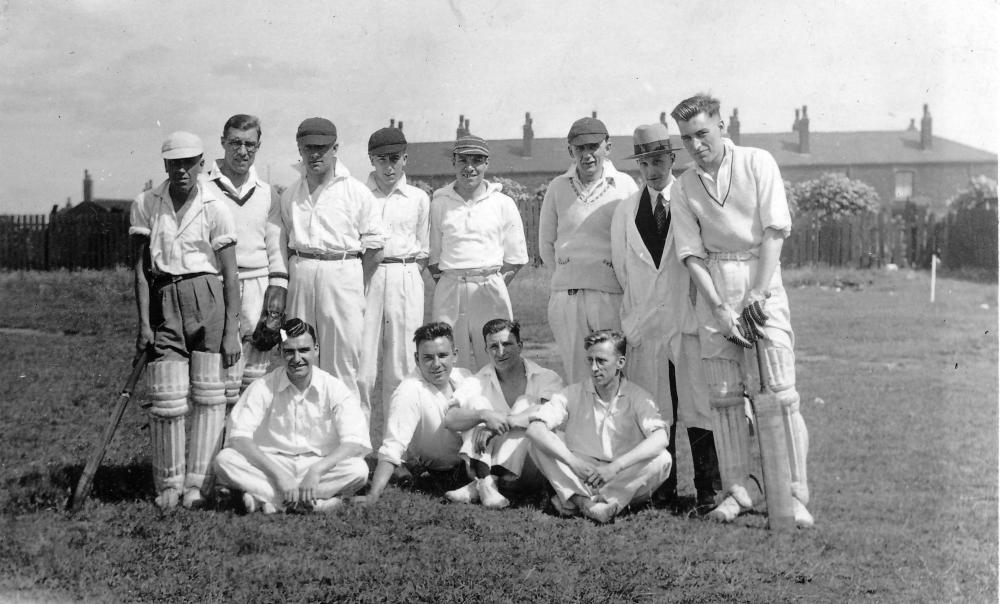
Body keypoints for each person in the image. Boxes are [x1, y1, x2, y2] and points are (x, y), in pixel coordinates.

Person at [670, 93, 812, 527]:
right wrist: (718, 308)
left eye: (702, 134)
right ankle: (738, 491)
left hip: (759, 279)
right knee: (725, 400)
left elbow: (774, 231)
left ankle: (793, 494)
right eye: (687, 138)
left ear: (721, 127)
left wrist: (756, 294)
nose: (696, 145)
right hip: (715, 286)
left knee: (781, 395)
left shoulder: (757, 162)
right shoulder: (684, 185)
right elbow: (691, 255)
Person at [610, 123, 720, 514]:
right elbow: (624, 269)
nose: (652, 168)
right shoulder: (626, 210)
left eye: (658, 159)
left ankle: (709, 492)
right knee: (657, 412)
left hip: (686, 320)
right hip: (647, 327)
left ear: (672, 158)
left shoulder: (691, 199)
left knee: (698, 407)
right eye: (644, 161)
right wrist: (639, 316)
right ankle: (663, 489)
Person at [129, 131, 241, 509]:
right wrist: (144, 324)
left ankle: (199, 483)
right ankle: (169, 483)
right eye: (174, 163)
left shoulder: (216, 205)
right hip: (165, 299)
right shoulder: (147, 203)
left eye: (188, 163)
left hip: (206, 296)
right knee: (167, 397)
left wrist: (230, 332)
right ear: (165, 165)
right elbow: (142, 270)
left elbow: (230, 274)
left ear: (200, 163)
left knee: (210, 395)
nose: (181, 171)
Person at [276, 117, 385, 401]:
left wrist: (351, 286)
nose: (314, 154)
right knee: (297, 356)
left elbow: (375, 248)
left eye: (322, 148)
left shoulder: (356, 192)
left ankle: (352, 440)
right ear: (299, 148)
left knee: (343, 364)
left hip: (342, 274)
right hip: (301, 273)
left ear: (335, 148)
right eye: (308, 147)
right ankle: (306, 438)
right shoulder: (290, 194)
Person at [213, 318, 370, 514]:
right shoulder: (263, 386)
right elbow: (239, 438)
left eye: (304, 350)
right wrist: (279, 475)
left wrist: (316, 470)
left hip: (316, 465)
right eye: (289, 351)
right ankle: (316, 505)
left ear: (316, 349)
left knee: (358, 470)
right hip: (272, 464)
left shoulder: (334, 388)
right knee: (225, 460)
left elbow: (353, 442)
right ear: (279, 352)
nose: (297, 359)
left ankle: (266, 500)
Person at [526, 330, 672, 523]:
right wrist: (573, 462)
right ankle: (590, 506)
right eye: (590, 360)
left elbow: (661, 438)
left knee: (662, 459)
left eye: (601, 361)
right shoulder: (573, 392)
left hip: (621, 475)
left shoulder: (638, 396)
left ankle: (577, 502)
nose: (594, 368)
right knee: (537, 443)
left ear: (620, 363)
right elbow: (534, 428)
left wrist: (616, 467)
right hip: (580, 472)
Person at [538, 116, 639, 383]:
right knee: (579, 378)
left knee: (615, 375)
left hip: (610, 296)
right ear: (570, 150)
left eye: (593, 146)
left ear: (608, 147)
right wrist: (572, 273)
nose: (587, 155)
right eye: (579, 148)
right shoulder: (557, 187)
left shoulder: (626, 186)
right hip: (568, 298)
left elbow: (633, 243)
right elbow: (546, 245)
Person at [201, 114, 287, 399]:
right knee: (217, 385)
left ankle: (247, 442)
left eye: (250, 145)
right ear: (223, 142)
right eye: (235, 143)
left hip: (257, 290)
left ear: (258, 146)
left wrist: (274, 308)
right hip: (216, 287)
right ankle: (219, 444)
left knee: (254, 384)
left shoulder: (267, 194)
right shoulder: (202, 187)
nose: (242, 151)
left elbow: (276, 253)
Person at [428, 135, 528, 370]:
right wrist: (453, 283)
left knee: (498, 359)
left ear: (487, 164)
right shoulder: (439, 203)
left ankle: (500, 407)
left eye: (477, 160)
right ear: (453, 162)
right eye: (463, 160)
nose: (469, 167)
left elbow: (515, 258)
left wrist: (494, 283)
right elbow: (433, 257)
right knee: (449, 361)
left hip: (489, 288)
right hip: (450, 289)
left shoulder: (502, 203)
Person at [442, 319, 565, 508]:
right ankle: (486, 482)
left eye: (507, 344)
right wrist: (483, 415)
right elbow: (450, 419)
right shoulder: (478, 380)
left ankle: (483, 484)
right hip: (484, 463)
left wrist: (505, 422)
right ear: (486, 350)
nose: (500, 352)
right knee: (477, 404)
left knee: (527, 403)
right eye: (493, 346)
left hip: (531, 468)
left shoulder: (546, 377)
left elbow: (549, 413)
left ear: (520, 346)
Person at [358, 127, 430, 421]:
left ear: (405, 159)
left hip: (405, 274)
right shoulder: (359, 195)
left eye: (395, 158)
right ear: (371, 160)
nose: (388, 166)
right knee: (362, 368)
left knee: (401, 366)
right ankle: (357, 448)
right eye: (381, 159)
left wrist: (405, 277)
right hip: (368, 277)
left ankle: (397, 450)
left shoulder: (418, 198)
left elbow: (423, 250)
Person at [360, 322, 472, 504]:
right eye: (428, 357)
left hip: (472, 464)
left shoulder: (465, 376)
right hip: (441, 472)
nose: (437, 364)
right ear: (416, 358)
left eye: (443, 355)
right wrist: (374, 494)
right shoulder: (409, 391)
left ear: (455, 355)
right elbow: (392, 447)